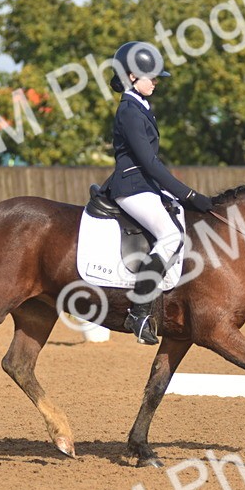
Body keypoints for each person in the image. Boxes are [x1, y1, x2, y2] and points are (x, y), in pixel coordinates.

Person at [102, 41, 215, 345]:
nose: (155, 82)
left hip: (144, 186)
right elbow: (149, 163)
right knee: (170, 236)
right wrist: (188, 195)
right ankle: (139, 313)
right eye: (150, 77)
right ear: (131, 76)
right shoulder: (129, 111)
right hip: (131, 187)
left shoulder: (141, 106)